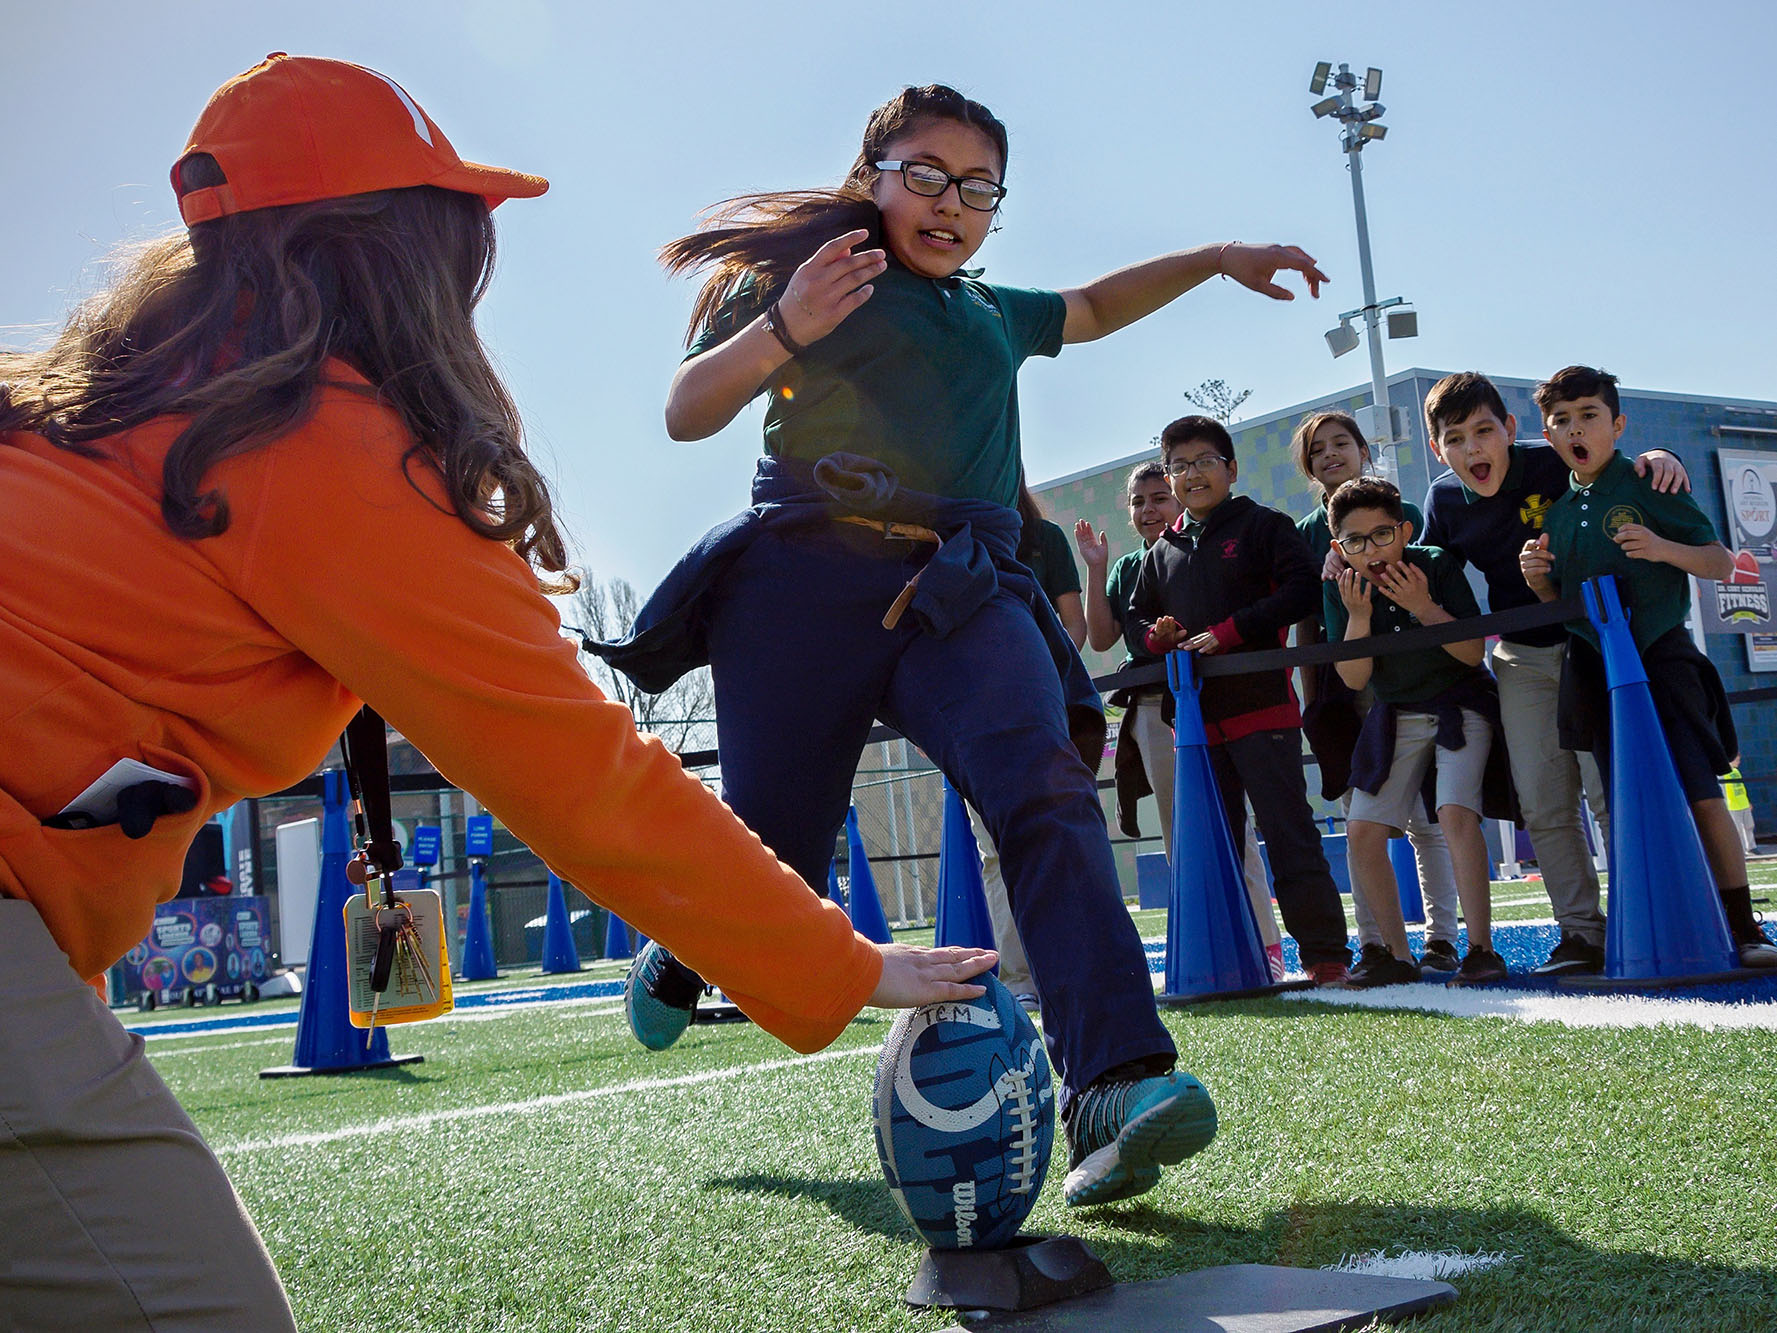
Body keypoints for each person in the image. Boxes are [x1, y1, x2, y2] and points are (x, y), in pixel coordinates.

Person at [0, 56, 997, 1330]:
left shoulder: (104, 404)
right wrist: (839, 960)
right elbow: (584, 774)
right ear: (407, 249)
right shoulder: (327, 438)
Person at [596, 83, 1327, 1206]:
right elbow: (688, 410)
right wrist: (789, 321)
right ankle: (688, 947)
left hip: (963, 586)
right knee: (778, 853)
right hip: (803, 580)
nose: (951, 204)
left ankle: (1116, 1083)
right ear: (871, 173)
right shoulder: (798, 276)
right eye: (925, 175)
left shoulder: (990, 311)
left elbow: (1088, 304)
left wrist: (1217, 255)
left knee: (1042, 785)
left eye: (978, 188)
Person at [1419, 371, 1689, 976]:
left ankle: (1642, 914)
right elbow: (1426, 564)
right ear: (1438, 449)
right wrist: (1342, 550)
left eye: (1485, 432)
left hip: (1588, 645)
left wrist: (1660, 455)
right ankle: (1580, 933)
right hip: (1518, 655)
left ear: (1512, 430)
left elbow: (1615, 465)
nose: (1473, 450)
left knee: (1606, 789)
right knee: (1542, 801)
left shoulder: (1551, 464)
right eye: (1456, 439)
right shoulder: (1442, 500)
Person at [1521, 365, 1777, 969]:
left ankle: (1744, 927)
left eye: (1589, 416)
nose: (1575, 429)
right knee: (1623, 800)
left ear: (1618, 425)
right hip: (1595, 668)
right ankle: (1649, 920)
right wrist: (1538, 583)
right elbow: (1564, 609)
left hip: (1661, 654)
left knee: (1700, 791)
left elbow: (1721, 563)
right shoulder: (1556, 514)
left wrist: (1663, 548)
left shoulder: (1651, 484)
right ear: (1548, 435)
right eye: (1561, 420)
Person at [1125, 415, 1353, 986]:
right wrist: (1159, 637)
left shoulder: (1265, 526)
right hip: (1195, 727)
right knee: (1215, 849)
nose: (1192, 475)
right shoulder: (1161, 551)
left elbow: (1302, 592)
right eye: (1179, 465)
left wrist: (1228, 632)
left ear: (1230, 468)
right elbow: (1134, 622)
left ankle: (1325, 959)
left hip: (1263, 712)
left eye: (1204, 461)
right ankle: (1236, 959)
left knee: (1289, 835)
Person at [1077, 461, 1286, 979]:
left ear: (1178, 497)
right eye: (1138, 502)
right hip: (1154, 708)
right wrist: (1096, 567)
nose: (1149, 510)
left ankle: (1265, 946)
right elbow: (1101, 639)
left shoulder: (1199, 552)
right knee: (1180, 835)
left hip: (1213, 703)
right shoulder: (1129, 568)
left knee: (1234, 830)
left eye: (1158, 498)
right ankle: (1205, 943)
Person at [1289, 411, 1463, 978]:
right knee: (1357, 815)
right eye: (1319, 451)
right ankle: (1375, 942)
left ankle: (1442, 937)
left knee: (1428, 819)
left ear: (1364, 450)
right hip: (1346, 691)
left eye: (1342, 443)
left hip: (1418, 685)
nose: (1331, 455)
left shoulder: (1406, 513)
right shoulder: (1306, 532)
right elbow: (1307, 619)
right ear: (1308, 467)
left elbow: (1429, 584)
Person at [1324, 478, 1507, 987]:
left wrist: (1424, 607)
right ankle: (1396, 956)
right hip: (1395, 711)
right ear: (1339, 548)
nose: (1372, 550)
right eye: (1355, 541)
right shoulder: (1342, 589)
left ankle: (1481, 949)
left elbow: (1473, 655)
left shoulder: (1437, 564)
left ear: (1404, 530)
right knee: (1362, 831)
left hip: (1459, 702)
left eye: (1383, 535)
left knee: (1454, 814)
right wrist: (1358, 618)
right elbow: (1355, 678)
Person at [969, 482, 1087, 1007]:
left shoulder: (1046, 540)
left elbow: (1074, 631)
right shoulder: (944, 539)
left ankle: (1078, 970)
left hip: (1045, 706)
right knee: (996, 852)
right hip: (973, 715)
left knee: (1061, 835)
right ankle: (1019, 981)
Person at [1723, 759, 1758, 855]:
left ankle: (1751, 847)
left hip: (1743, 804)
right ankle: (1741, 850)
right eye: (1737, 760)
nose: (1739, 762)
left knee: (1749, 826)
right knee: (1738, 829)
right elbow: (1723, 790)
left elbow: (1742, 788)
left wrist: (1747, 802)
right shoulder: (1723, 773)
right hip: (1733, 806)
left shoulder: (1736, 771)